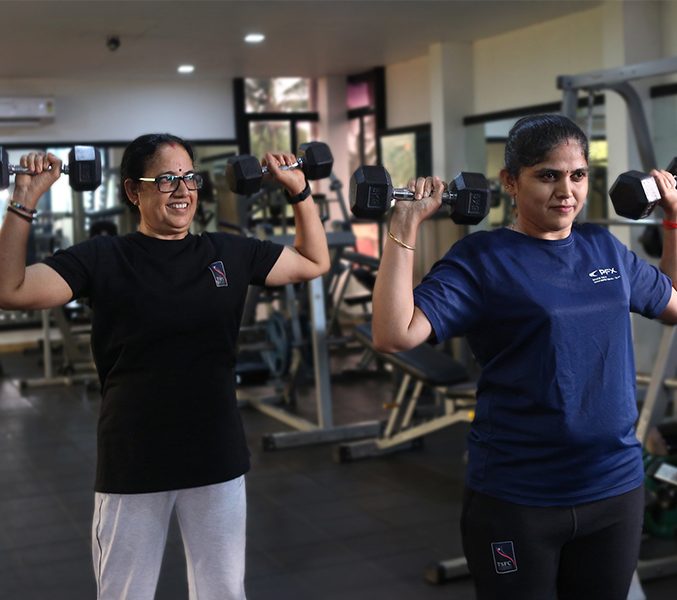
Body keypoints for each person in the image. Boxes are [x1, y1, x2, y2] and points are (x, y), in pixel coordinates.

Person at [0, 133, 330, 600]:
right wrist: (23, 202)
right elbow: (10, 290)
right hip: (135, 458)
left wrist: (299, 189)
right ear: (134, 191)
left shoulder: (229, 253)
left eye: (189, 178)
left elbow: (314, 261)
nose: (182, 190)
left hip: (215, 454)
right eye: (166, 179)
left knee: (222, 591)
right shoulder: (103, 258)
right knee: (126, 593)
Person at [371, 114, 677, 599]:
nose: (566, 192)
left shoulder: (604, 248)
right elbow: (394, 334)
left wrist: (674, 221)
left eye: (578, 175)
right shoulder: (481, 259)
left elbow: (672, 303)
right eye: (548, 176)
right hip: (519, 496)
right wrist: (403, 225)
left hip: (613, 487)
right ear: (510, 182)